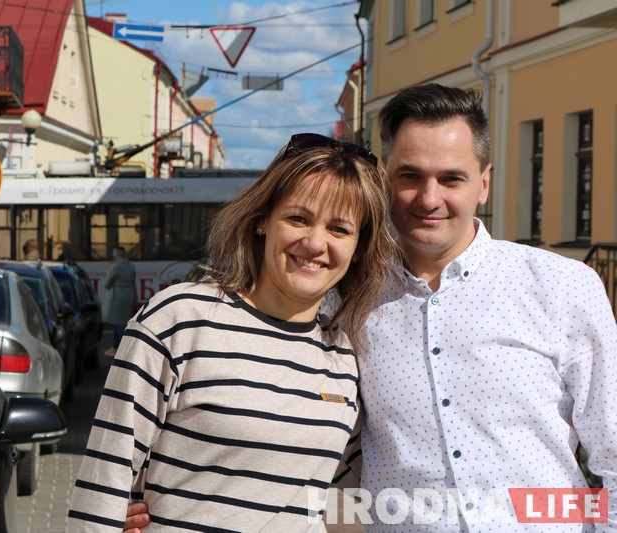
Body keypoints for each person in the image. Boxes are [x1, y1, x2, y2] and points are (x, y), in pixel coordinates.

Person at [124, 84, 617, 531]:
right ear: (383, 180)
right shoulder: (335, 299)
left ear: (483, 183)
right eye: (410, 176)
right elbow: (263, 415)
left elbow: (613, 448)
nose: (430, 198)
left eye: (452, 178)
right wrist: (157, 495)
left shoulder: (562, 287)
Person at [67, 133, 396, 532]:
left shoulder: (342, 357)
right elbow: (105, 479)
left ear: (358, 248)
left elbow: (350, 494)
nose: (315, 242)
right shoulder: (181, 319)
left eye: (339, 229)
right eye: (298, 218)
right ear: (262, 221)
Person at [101, 246, 138, 357]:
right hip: (129, 296)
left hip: (117, 298)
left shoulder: (115, 267)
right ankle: (115, 347)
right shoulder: (131, 266)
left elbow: (107, 284)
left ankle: (124, 351)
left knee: (119, 325)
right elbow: (134, 285)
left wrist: (108, 271)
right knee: (120, 323)